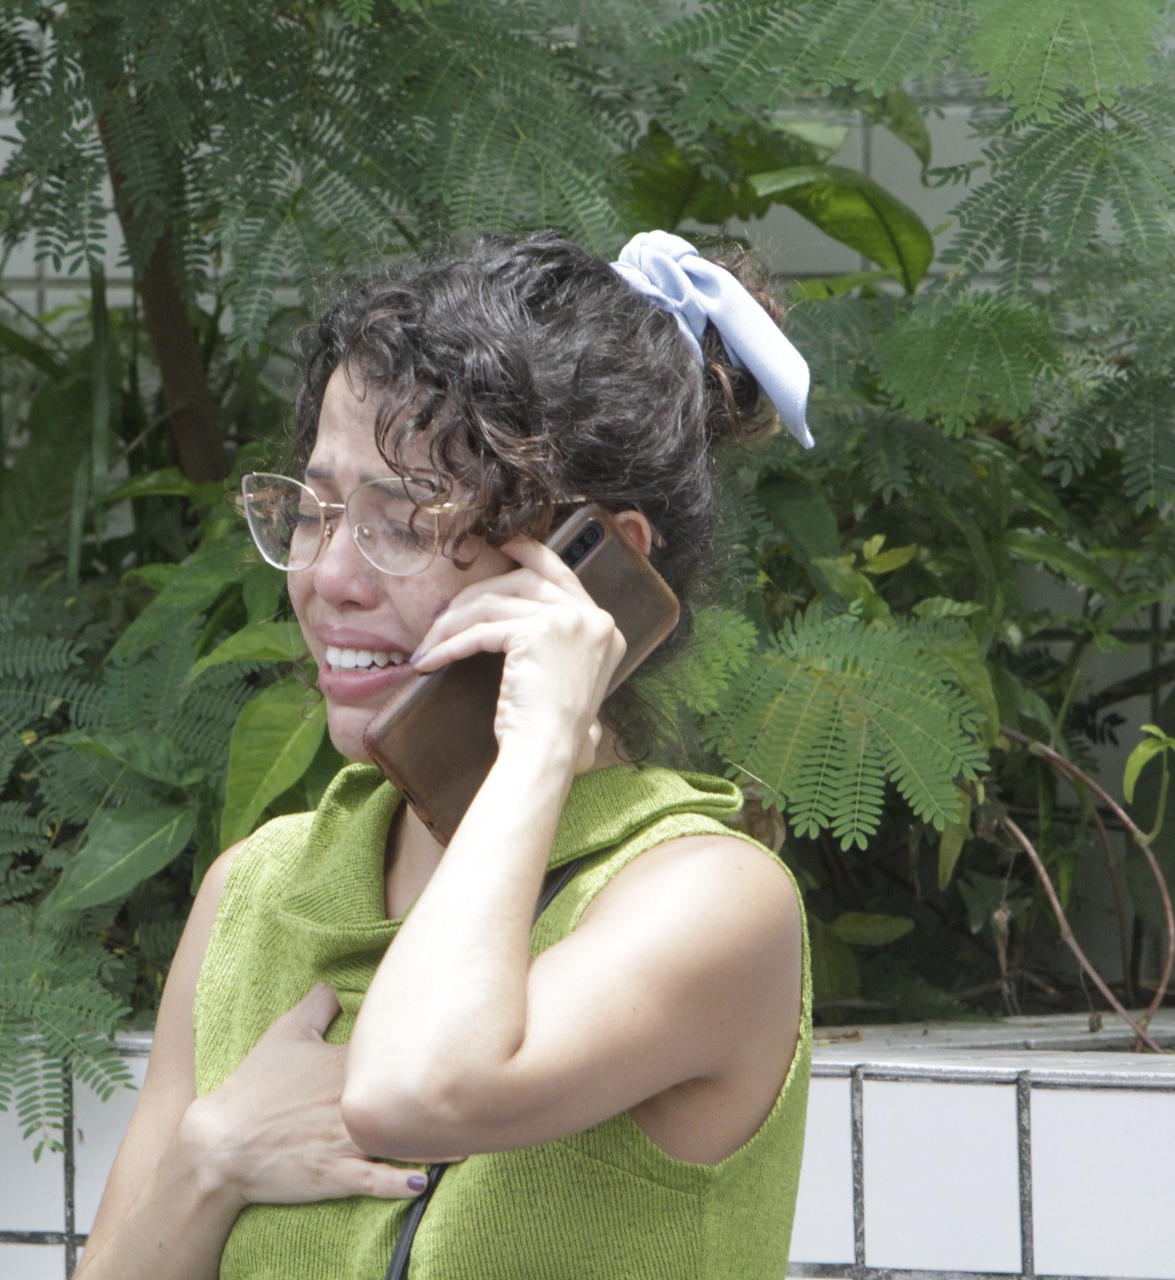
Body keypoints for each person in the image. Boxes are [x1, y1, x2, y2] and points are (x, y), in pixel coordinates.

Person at [75, 230, 814, 1280]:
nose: (328, 576)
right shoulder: (259, 891)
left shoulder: (708, 899)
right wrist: (213, 1157)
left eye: (405, 521)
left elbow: (414, 1088)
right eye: (319, 507)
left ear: (592, 569)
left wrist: (542, 738)